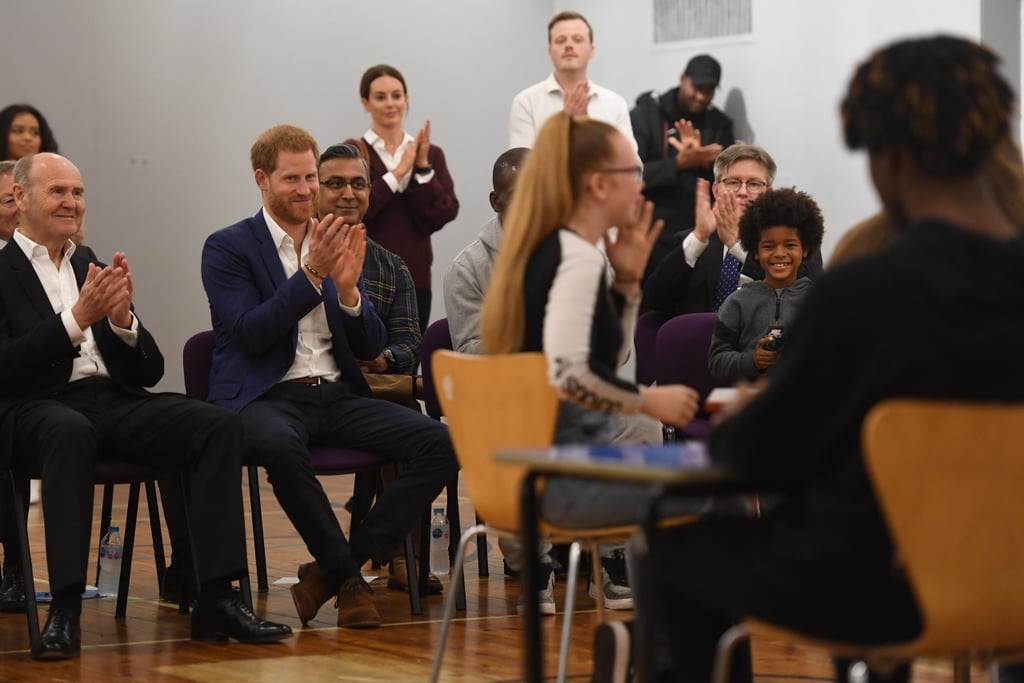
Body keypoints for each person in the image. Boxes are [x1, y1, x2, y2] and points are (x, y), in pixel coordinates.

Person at [613, 35, 1024, 683]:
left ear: (884, 155)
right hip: (1011, 577)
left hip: (886, 582)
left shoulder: (868, 290)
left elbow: (760, 452)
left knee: (671, 547)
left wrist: (755, 407)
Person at [0, 153, 292, 660]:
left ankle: (217, 596)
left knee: (215, 424)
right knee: (67, 431)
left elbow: (149, 371)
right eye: (58, 192)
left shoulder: (88, 262)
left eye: (78, 192)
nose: (72, 202)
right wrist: (75, 321)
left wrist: (119, 322)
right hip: (34, 408)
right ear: (20, 199)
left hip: (111, 402)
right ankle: (64, 608)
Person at [201, 125, 459, 630]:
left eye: (308, 179)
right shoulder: (228, 247)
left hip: (337, 394)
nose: (304, 190)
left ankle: (334, 570)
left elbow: (366, 347)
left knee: (443, 443)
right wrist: (313, 275)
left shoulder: (334, 241)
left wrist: (348, 294)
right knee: (280, 447)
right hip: (264, 397)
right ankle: (348, 583)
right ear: (262, 180)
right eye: (291, 179)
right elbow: (251, 334)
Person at [480, 112, 702, 613]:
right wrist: (650, 398)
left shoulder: (554, 251)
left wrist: (626, 284)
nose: (641, 187)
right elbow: (571, 377)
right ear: (598, 185)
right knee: (719, 494)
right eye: (632, 174)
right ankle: (673, 661)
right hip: (560, 477)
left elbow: (608, 357)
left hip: (526, 472)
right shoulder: (571, 258)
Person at [315, 142, 439, 596]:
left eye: (358, 184)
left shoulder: (393, 266)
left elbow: (410, 340)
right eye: (335, 184)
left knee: (418, 422)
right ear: (315, 190)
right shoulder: (295, 256)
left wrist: (386, 357)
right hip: (311, 393)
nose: (348, 193)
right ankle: (375, 556)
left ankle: (403, 556)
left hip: (373, 390)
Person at [642, 143, 823, 318]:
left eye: (753, 184)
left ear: (768, 192)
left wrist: (737, 246)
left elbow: (805, 300)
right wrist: (699, 238)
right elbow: (655, 301)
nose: (743, 192)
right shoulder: (690, 241)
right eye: (733, 182)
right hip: (699, 345)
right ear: (716, 190)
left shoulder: (797, 243)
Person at [347, 64, 459, 332]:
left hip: (416, 276)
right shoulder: (353, 151)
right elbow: (356, 209)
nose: (390, 104)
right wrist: (397, 173)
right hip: (365, 276)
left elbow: (443, 213)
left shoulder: (430, 154)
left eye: (396, 95)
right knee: (366, 360)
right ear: (366, 102)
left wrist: (421, 167)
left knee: (408, 364)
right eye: (380, 97)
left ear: (406, 99)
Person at [631, 55, 736, 278]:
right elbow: (631, 175)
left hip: (700, 236)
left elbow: (729, 182)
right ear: (683, 79)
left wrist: (706, 164)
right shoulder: (645, 115)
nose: (701, 96)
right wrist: (678, 163)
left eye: (709, 90)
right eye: (697, 87)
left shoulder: (718, 124)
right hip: (651, 234)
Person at [708, 188, 823, 383]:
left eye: (790, 245)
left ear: (805, 249)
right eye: (769, 246)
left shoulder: (819, 301)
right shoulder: (737, 303)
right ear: (755, 252)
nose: (779, 253)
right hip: (751, 402)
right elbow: (717, 362)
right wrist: (753, 360)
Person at [444, 147, 529, 355]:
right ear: (496, 202)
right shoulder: (467, 269)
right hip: (508, 385)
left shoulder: (578, 255)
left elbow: (619, 352)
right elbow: (468, 352)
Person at [508, 11, 635, 150]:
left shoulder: (615, 104)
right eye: (560, 40)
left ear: (592, 50)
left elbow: (633, 168)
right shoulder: (526, 102)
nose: (568, 45)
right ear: (550, 51)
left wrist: (584, 130)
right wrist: (564, 127)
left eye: (578, 39)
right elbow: (523, 168)